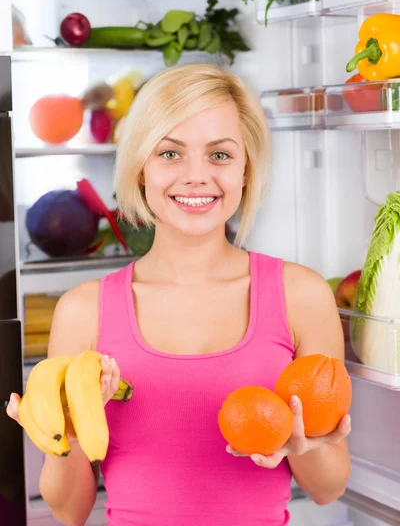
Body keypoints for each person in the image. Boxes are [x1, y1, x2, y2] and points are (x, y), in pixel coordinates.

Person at [7, 64, 351, 526]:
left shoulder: (301, 295)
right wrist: (59, 431)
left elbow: (328, 488)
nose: (195, 176)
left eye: (220, 155)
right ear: (140, 167)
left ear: (247, 169)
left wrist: (300, 446)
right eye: (170, 153)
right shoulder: (83, 311)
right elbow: (69, 511)